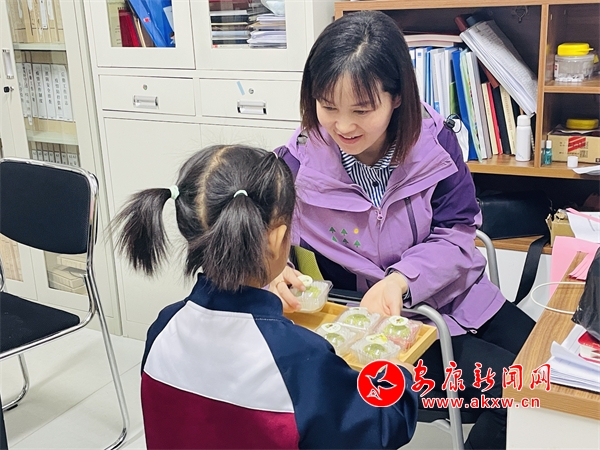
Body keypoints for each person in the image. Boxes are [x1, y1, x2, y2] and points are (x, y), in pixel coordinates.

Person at [272, 11, 535, 450]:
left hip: (463, 299)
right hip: (383, 331)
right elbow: (250, 227)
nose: (343, 126)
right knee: (519, 394)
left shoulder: (435, 141)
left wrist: (401, 279)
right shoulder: (296, 163)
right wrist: (272, 267)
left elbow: (458, 231)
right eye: (327, 106)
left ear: (397, 97)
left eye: (362, 109)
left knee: (558, 378)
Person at [111, 144, 418, 449]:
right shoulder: (298, 358)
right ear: (277, 239)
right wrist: (400, 377)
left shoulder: (163, 327)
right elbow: (374, 429)